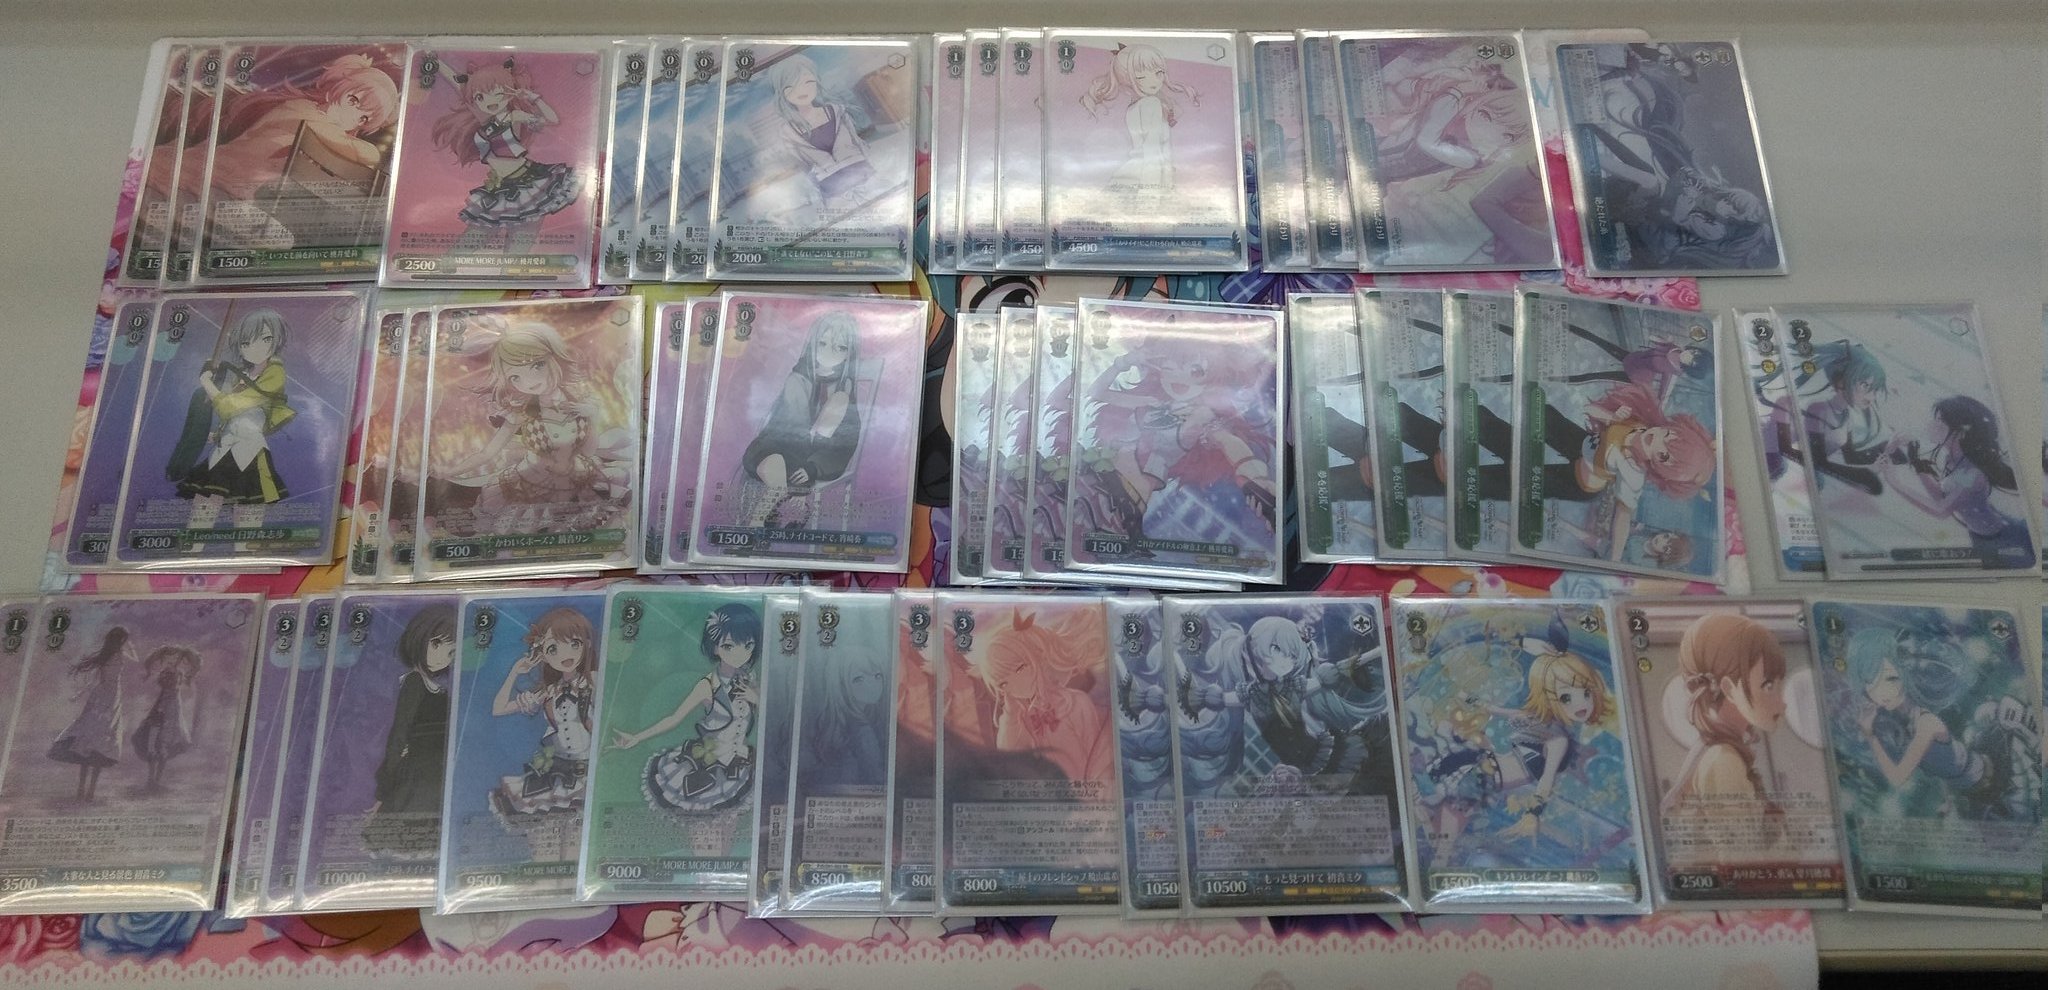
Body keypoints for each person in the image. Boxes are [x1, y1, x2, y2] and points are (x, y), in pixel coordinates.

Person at [439, 319, 632, 535]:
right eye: (515, 377)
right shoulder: (520, 413)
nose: (529, 381)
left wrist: (591, 418)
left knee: (595, 529)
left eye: (537, 365)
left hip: (579, 477)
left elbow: (588, 451)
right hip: (531, 485)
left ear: (555, 357)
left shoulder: (578, 402)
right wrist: (450, 471)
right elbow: (488, 453)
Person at [200, 52, 400, 248]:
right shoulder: (303, 110)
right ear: (336, 89)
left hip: (254, 199)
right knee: (279, 239)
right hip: (224, 181)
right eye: (353, 100)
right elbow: (366, 152)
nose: (352, 116)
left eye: (363, 119)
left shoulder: (330, 137)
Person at [610, 603, 762, 813]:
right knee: (706, 816)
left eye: (748, 645)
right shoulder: (707, 686)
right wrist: (637, 737)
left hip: (740, 760)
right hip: (709, 762)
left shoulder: (749, 679)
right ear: (715, 647)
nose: (740, 653)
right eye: (729, 646)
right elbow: (674, 718)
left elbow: (775, 713)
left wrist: (756, 699)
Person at [1660, 613, 1788, 838]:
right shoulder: (1723, 761)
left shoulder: (1717, 750)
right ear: (1728, 688)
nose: (1782, 703)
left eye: (1780, 685)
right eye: (1768, 686)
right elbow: (1741, 854)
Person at [171, 308, 296, 532]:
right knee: (202, 510)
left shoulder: (274, 374)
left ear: (275, 340)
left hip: (250, 450)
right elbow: (230, 412)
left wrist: (206, 383)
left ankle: (244, 550)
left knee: (247, 514)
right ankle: (192, 548)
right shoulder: (241, 375)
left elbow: (231, 407)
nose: (253, 348)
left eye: (265, 339)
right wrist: (218, 431)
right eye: (246, 343)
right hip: (224, 447)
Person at [739, 312, 864, 529]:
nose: (829, 353)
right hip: (776, 447)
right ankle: (762, 521)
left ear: (849, 354)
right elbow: (782, 430)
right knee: (778, 474)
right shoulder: (797, 379)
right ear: (812, 344)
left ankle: (758, 524)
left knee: (839, 401)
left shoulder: (843, 395)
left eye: (840, 348)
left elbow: (843, 445)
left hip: (815, 458)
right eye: (822, 344)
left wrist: (814, 467)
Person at [1882, 396, 2036, 569]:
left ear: (1961, 431)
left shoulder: (1972, 473)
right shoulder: (1952, 461)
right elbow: (1942, 496)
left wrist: (1895, 483)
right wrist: (1915, 459)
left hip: (2006, 539)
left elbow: (1941, 511)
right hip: (1981, 537)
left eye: (1940, 421)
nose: (1932, 425)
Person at [430, 57, 578, 231]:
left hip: (528, 181)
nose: (490, 101)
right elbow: (456, 82)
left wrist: (533, 98)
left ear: (508, 93)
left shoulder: (514, 116)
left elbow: (552, 120)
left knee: (521, 238)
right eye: (481, 97)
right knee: (478, 235)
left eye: (498, 94)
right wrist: (433, 58)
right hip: (501, 185)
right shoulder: (484, 119)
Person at [365, 603, 457, 858]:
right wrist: (385, 787)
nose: (443, 656)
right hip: (419, 773)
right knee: (411, 836)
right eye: (436, 644)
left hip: (435, 771)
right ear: (419, 637)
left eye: (451, 651)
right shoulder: (415, 683)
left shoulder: (436, 686)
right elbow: (399, 733)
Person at [490, 606, 599, 819]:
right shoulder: (549, 691)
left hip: (588, 767)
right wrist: (514, 672)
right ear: (544, 657)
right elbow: (499, 709)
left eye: (574, 644)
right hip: (558, 769)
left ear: (586, 645)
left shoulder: (593, 680)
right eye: (553, 649)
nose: (565, 654)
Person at [1081, 43, 1199, 191]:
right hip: (1144, 178)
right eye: (1142, 76)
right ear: (1128, 78)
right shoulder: (1151, 104)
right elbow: (1153, 154)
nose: (1154, 80)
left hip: (1133, 175)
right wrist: (1154, 194)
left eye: (1159, 73)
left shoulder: (1134, 108)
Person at [768, 55, 875, 209]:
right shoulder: (787, 132)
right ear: (781, 92)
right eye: (791, 85)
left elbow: (858, 142)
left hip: (865, 177)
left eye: (807, 82)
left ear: (817, 82)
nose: (801, 90)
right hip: (832, 192)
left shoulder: (837, 111)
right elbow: (803, 169)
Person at [48, 627, 137, 802]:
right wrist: (131, 646)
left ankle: (84, 790)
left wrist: (79, 694)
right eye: (124, 640)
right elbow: (135, 661)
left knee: (89, 743)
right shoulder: (119, 654)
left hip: (103, 697)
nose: (124, 642)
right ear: (121, 640)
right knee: (98, 744)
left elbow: (95, 680)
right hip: (109, 699)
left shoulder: (105, 655)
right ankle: (87, 791)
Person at [130, 646, 201, 792]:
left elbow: (173, 686)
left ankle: (156, 781)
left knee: (165, 746)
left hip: (172, 709)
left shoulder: (177, 672)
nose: (172, 660)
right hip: (163, 707)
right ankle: (151, 780)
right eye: (169, 657)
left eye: (175, 658)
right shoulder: (168, 673)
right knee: (154, 743)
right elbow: (165, 686)